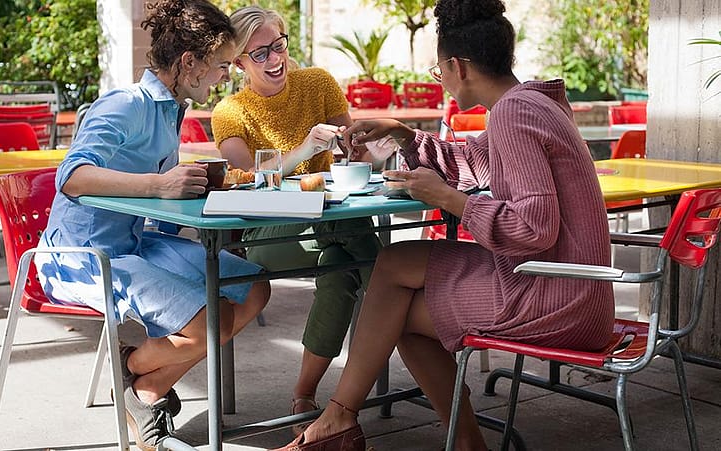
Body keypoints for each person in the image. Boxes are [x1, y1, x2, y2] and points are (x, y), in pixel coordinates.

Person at [270, 0, 615, 450]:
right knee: (394, 264)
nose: (442, 79)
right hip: (575, 287)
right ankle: (341, 421)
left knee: (398, 315)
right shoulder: (529, 105)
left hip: (556, 294)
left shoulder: (514, 114)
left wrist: (447, 199)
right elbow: (473, 162)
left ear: (458, 66)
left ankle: (355, 425)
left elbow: (534, 228)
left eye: (438, 71)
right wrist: (403, 133)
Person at [33, 1, 270, 449]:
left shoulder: (171, 108)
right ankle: (137, 375)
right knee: (214, 323)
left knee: (255, 286)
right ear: (189, 63)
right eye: (221, 66)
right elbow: (72, 177)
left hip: (135, 242)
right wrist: (159, 186)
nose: (226, 76)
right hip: (83, 257)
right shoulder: (124, 104)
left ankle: (140, 384)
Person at [210, 5, 390, 430]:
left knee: (341, 271)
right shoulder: (230, 112)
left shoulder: (319, 83)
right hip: (264, 235)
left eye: (278, 46)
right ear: (238, 63)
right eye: (260, 54)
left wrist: (367, 150)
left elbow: (353, 150)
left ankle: (304, 396)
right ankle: (394, 291)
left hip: (330, 230)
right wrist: (305, 151)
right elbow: (248, 184)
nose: (275, 60)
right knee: (353, 238)